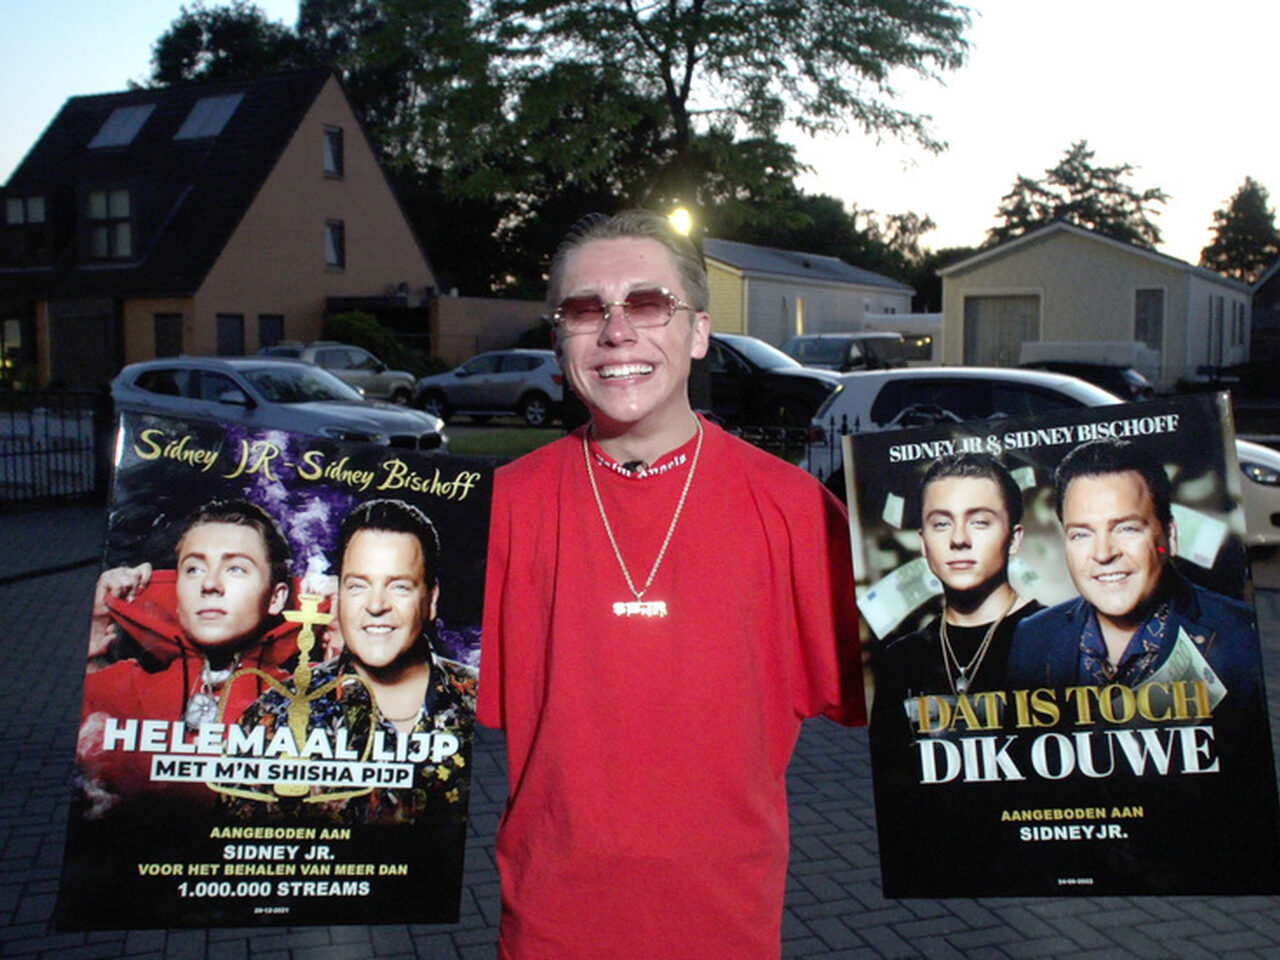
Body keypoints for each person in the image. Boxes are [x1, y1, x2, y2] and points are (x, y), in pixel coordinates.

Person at [479, 209, 862, 959]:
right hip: (550, 930)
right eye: (585, 310)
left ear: (698, 332)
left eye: (649, 303)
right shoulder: (498, 510)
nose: (616, 332)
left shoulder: (795, 510)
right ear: (559, 342)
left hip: (728, 930)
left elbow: (925, 696)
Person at [227, 498, 475, 825]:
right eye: (358, 586)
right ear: (340, 597)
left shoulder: (480, 702)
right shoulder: (271, 718)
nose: (376, 605)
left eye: (399, 586)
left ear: (431, 599)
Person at [868, 453, 1041, 895]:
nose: (959, 540)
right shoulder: (901, 659)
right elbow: (893, 787)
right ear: (923, 541)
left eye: (980, 522)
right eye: (941, 523)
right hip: (936, 872)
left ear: (1014, 538)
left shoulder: (1061, 642)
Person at [77, 499, 297, 806]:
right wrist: (98, 620)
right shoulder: (129, 688)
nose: (209, 584)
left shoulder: (305, 696)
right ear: (177, 591)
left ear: (276, 598)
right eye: (194, 569)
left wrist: (342, 615)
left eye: (235, 568)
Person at [1007, 438, 1261, 699]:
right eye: (1081, 534)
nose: (1104, 554)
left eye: (1126, 529)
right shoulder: (1031, 638)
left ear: (1170, 536)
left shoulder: (1242, 636)